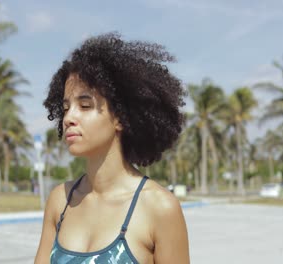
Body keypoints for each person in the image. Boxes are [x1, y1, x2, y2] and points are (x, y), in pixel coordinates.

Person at [35, 32, 190, 264]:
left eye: (85, 105)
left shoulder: (160, 208)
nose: (69, 117)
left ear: (120, 118)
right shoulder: (60, 201)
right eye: (66, 107)